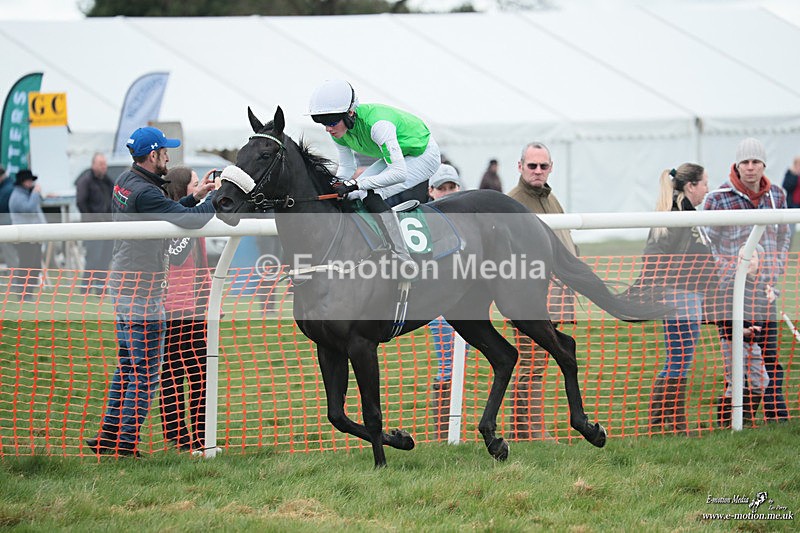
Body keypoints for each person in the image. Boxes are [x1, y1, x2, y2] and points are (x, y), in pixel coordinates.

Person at [85, 126, 217, 457]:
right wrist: (218, 198)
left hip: (123, 285)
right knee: (144, 374)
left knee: (127, 367)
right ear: (153, 155)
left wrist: (195, 197)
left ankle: (108, 436)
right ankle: (125, 443)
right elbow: (189, 221)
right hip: (143, 292)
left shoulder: (126, 181)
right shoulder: (145, 192)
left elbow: (169, 212)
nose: (168, 159)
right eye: (165, 153)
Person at [307, 79, 441, 279]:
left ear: (350, 113)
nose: (328, 128)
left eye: (332, 122)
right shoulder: (338, 132)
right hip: (401, 155)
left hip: (423, 155)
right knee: (352, 196)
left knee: (369, 193)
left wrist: (355, 183)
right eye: (323, 123)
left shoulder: (378, 125)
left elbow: (399, 173)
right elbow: (347, 167)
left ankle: (402, 257)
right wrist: (335, 185)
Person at [703, 137, 790, 423]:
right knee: (737, 360)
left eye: (755, 162)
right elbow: (709, 246)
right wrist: (736, 274)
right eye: (745, 162)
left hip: (765, 292)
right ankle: (731, 419)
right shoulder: (717, 199)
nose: (750, 167)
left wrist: (772, 275)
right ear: (737, 165)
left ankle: (776, 418)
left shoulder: (777, 196)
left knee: (769, 358)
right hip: (732, 293)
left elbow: (783, 238)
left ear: (764, 164)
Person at [506, 142, 577, 441]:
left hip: (554, 297)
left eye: (543, 166)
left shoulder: (552, 199)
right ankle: (530, 430)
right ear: (520, 166)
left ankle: (524, 429)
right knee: (531, 365)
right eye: (532, 165)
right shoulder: (512, 203)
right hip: (528, 299)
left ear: (550, 168)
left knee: (539, 363)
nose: (537, 171)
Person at [639, 164, 712, 435]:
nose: (707, 189)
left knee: (678, 360)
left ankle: (665, 424)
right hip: (680, 295)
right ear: (691, 186)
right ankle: (670, 424)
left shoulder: (681, 211)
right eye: (704, 183)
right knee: (679, 360)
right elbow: (655, 252)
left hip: (685, 295)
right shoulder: (678, 214)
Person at [160, 166, 212, 452]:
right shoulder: (175, 220)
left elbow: (202, 267)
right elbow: (179, 257)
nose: (199, 186)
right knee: (177, 375)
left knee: (198, 376)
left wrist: (211, 301)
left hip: (194, 310)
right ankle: (180, 437)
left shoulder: (191, 217)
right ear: (182, 189)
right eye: (195, 183)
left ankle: (198, 437)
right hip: (174, 311)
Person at [426, 163, 466, 440]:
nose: (448, 192)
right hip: (439, 306)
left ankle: (452, 429)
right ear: (431, 191)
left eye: (452, 187)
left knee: (458, 367)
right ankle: (444, 433)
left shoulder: (467, 219)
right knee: (448, 367)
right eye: (443, 188)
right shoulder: (425, 221)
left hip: (464, 302)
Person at [714, 245, 771, 428]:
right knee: (736, 382)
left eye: (751, 256)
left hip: (752, 341)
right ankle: (725, 423)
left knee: (761, 380)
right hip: (732, 340)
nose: (745, 260)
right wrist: (739, 329)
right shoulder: (731, 283)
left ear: (760, 261)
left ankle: (745, 419)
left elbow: (760, 313)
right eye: (741, 256)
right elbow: (721, 315)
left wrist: (756, 327)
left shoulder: (761, 286)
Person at [75, 153, 115, 294]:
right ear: (93, 165)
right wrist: (92, 218)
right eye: (100, 164)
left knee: (105, 258)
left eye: (104, 164)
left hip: (108, 227)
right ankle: (85, 289)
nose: (103, 167)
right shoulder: (85, 181)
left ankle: (100, 289)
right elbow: (80, 202)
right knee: (93, 258)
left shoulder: (108, 182)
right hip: (92, 227)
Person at [8, 169, 47, 301]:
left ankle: (28, 293)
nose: (31, 183)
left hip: (34, 237)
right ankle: (23, 293)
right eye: (29, 180)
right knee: (26, 266)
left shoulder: (27, 194)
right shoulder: (17, 196)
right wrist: (35, 193)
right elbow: (29, 209)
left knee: (35, 266)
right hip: (24, 238)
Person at [0, 165, 19, 272]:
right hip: (9, 225)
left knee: (10, 255)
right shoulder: (9, 186)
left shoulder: (7, 189)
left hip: (7, 225)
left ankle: (15, 278)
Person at [781, 156, 800, 245]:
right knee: (790, 232)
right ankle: (787, 249)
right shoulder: (790, 173)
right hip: (792, 205)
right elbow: (786, 186)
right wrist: (795, 175)